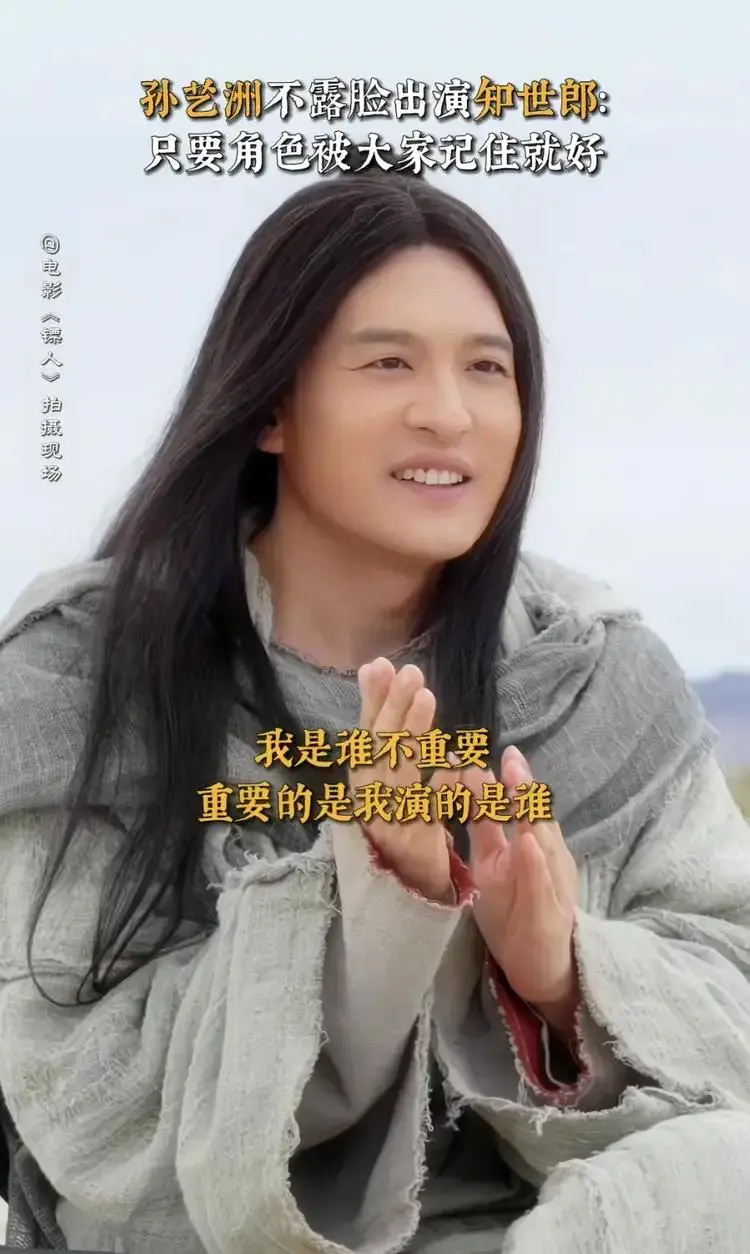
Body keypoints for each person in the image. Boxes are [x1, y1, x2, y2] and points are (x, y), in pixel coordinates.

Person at [1, 161, 749, 1254]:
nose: (448, 413)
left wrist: (555, 971)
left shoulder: (595, 673)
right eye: (388, 361)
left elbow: (734, 994)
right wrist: (372, 914)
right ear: (270, 405)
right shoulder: (86, 676)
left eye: (487, 367)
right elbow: (86, 1099)